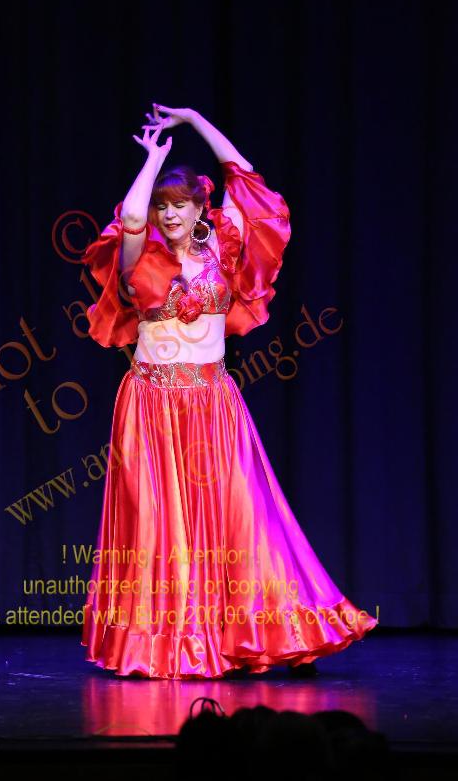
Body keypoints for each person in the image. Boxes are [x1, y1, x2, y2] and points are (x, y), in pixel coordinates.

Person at [79, 104, 378, 679]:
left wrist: (195, 120)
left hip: (214, 401)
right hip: (151, 402)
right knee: (158, 523)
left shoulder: (223, 251)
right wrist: (153, 161)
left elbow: (247, 179)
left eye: (180, 205)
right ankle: (167, 641)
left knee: (242, 517)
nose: (169, 214)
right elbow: (132, 216)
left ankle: (266, 631)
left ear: (200, 209)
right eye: (164, 206)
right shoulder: (140, 262)